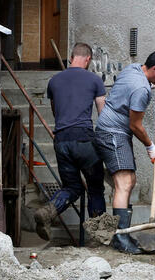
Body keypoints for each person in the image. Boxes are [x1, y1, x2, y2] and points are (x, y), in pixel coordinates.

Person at [94, 49, 155, 254]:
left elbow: (135, 89)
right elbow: (135, 125)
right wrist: (150, 147)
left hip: (110, 129)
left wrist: (154, 83)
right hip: (114, 133)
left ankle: (124, 232)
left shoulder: (133, 69)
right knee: (124, 183)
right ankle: (120, 238)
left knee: (130, 180)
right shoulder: (142, 89)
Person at [33, 42, 107, 241]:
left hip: (62, 141)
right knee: (95, 188)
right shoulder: (95, 80)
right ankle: (99, 238)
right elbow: (103, 114)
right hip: (84, 140)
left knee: (72, 188)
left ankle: (48, 212)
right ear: (88, 59)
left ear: (72, 56)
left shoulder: (54, 81)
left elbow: (56, 110)